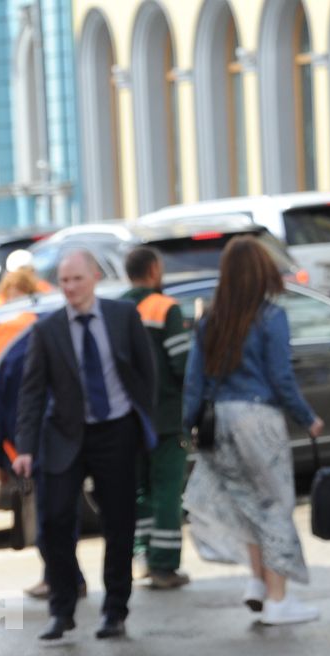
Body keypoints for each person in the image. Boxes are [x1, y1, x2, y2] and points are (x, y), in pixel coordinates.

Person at [14, 249, 158, 642]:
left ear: (94, 277)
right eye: (64, 281)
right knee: (55, 521)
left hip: (116, 431)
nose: (70, 288)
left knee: (119, 522)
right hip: (65, 434)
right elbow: (31, 392)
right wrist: (24, 447)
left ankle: (115, 611)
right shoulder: (48, 330)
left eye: (77, 279)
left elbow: (146, 372)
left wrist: (146, 424)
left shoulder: (122, 317)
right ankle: (62, 609)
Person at [181, 238, 326, 626]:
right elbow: (281, 377)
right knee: (274, 505)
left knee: (246, 504)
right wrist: (306, 416)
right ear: (261, 273)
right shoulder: (271, 317)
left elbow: (194, 382)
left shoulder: (211, 319)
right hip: (257, 419)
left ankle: (258, 584)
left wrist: (188, 426)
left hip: (219, 421)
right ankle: (279, 599)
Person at [0, 306, 79, 594]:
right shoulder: (26, 322)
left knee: (46, 517)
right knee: (59, 514)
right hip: (67, 429)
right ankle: (66, 577)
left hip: (33, 446)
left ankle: (62, 580)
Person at [123, 247, 195, 589]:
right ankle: (164, 565)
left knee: (141, 492)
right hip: (165, 418)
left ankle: (142, 556)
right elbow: (182, 365)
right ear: (153, 270)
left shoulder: (117, 308)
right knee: (167, 491)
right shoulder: (165, 308)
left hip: (128, 420)